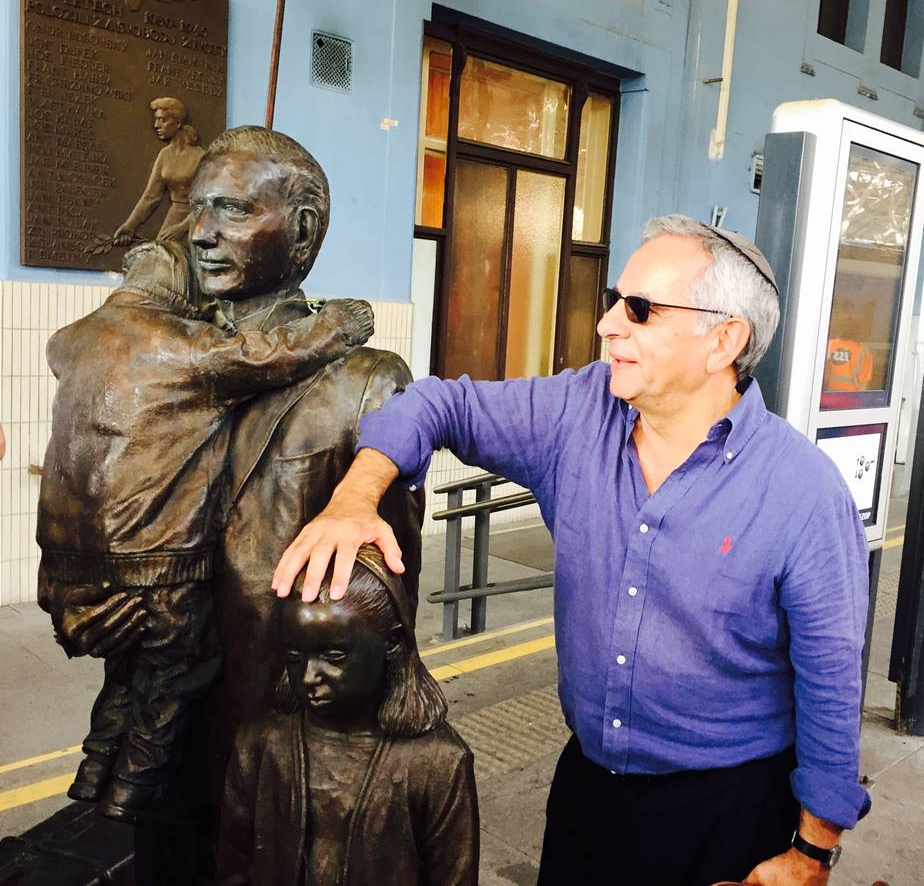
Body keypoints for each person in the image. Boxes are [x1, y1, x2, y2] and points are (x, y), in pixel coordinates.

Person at [274, 216, 871, 886]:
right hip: (590, 793)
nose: (608, 324)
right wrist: (355, 497)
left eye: (640, 310)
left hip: (727, 813)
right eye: (616, 300)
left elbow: (831, 680)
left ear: (723, 340)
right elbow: (440, 404)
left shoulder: (802, 491)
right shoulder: (577, 412)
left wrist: (812, 852)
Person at [42, 128, 423, 862]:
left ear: (303, 231)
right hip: (164, 753)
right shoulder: (151, 355)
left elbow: (387, 606)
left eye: (234, 211)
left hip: (283, 752)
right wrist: (87, 586)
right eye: (196, 209)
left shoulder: (365, 382)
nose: (202, 234)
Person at [37, 238, 373, 822]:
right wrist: (346, 320)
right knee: (172, 678)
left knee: (125, 677)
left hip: (65, 567)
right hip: (151, 568)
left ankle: (94, 776)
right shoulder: (181, 347)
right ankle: (126, 799)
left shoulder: (69, 341)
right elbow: (273, 354)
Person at [217, 546, 478, 885]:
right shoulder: (261, 745)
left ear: (392, 644)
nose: (309, 676)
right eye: (295, 655)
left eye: (334, 655)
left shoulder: (439, 764)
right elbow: (234, 866)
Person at [113, 97, 206, 246]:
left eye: (162, 120)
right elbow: (151, 196)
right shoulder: (165, 155)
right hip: (174, 216)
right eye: (156, 120)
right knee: (161, 258)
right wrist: (129, 226)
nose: (156, 125)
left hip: (196, 221)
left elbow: (207, 201)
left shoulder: (200, 156)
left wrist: (182, 228)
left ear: (178, 122)